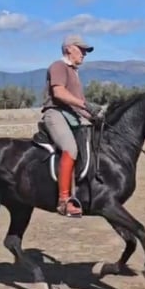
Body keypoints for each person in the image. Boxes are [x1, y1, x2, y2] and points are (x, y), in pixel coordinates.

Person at [41, 34, 105, 217]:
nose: (84, 54)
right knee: (70, 148)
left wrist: (95, 115)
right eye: (81, 49)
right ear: (69, 49)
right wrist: (85, 105)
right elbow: (59, 92)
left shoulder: (74, 72)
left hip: (71, 115)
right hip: (55, 114)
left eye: (85, 51)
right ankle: (64, 201)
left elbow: (78, 104)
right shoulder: (59, 66)